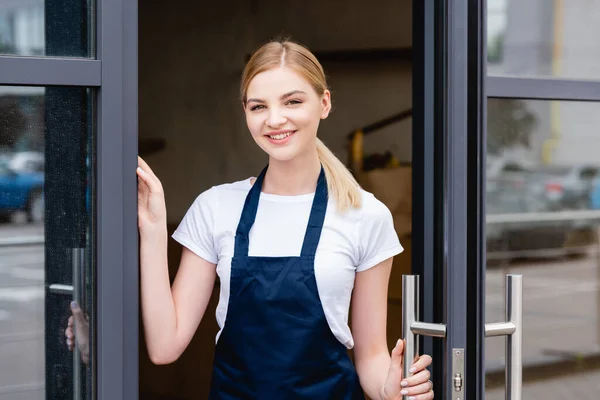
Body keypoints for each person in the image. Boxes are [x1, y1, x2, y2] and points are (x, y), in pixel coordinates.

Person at [73, 38, 434, 399]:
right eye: (258, 106)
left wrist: (390, 390)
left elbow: (370, 357)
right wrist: (152, 229)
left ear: (324, 103)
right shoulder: (216, 208)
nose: (275, 119)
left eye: (293, 101)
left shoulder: (365, 215)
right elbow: (165, 347)